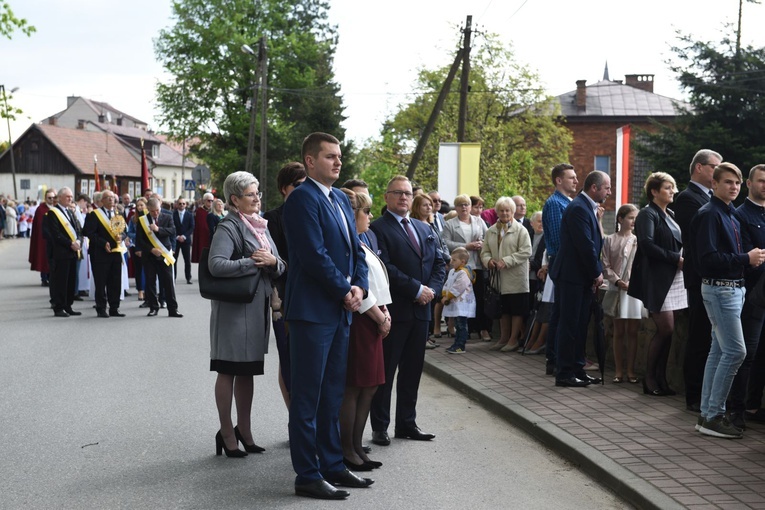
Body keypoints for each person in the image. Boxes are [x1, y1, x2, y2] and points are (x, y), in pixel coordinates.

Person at [283, 132, 371, 500]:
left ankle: (333, 464)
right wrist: (344, 290)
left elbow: (357, 252)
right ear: (309, 161)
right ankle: (307, 473)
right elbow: (314, 255)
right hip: (312, 313)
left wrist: (360, 288)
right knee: (308, 397)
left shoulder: (338, 198)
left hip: (340, 311)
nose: (338, 162)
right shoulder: (302, 200)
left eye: (339, 156)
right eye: (330, 156)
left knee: (333, 394)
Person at [207, 171, 284, 458]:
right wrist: (252, 263)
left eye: (258, 193)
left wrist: (273, 261)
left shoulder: (260, 226)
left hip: (257, 310)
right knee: (228, 370)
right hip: (232, 312)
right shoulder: (228, 226)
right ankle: (227, 432)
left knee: (248, 372)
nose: (257, 198)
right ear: (235, 199)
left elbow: (279, 264)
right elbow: (216, 265)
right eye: (251, 194)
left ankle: (245, 431)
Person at [690, 162, 765, 438]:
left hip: (731, 289)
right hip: (721, 290)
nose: (733, 187)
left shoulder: (728, 213)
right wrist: (747, 258)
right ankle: (715, 416)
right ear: (714, 184)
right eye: (728, 182)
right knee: (736, 352)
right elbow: (707, 260)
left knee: (719, 352)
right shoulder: (710, 214)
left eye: (736, 182)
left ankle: (707, 414)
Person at [369, 175, 445, 447]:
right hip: (397, 310)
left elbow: (439, 264)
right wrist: (415, 289)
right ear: (387, 197)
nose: (403, 197)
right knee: (386, 373)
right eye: (398, 193)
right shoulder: (378, 228)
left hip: (422, 311)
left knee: (412, 371)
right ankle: (380, 426)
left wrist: (432, 291)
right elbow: (384, 266)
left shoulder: (424, 229)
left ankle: (407, 423)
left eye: (407, 194)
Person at [338, 188, 391, 471]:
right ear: (352, 214)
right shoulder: (349, 243)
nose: (370, 216)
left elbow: (377, 282)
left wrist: (385, 311)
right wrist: (378, 316)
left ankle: (356, 445)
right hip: (361, 320)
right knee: (355, 387)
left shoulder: (362, 239)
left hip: (373, 319)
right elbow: (354, 285)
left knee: (369, 386)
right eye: (366, 211)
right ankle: (347, 449)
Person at [550, 170, 610, 388]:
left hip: (581, 277)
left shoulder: (585, 207)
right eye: (607, 188)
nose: (609, 192)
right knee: (570, 324)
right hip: (572, 276)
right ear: (594, 188)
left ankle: (577, 369)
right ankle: (564, 372)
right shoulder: (578, 208)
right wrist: (597, 272)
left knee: (580, 325)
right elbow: (585, 244)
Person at [628, 173, 686, 396]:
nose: (673, 191)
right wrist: (676, 259)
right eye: (667, 187)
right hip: (656, 279)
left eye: (673, 187)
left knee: (669, 332)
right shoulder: (647, 214)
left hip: (673, 278)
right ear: (654, 191)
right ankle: (649, 379)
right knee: (666, 328)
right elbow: (647, 245)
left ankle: (661, 379)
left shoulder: (669, 213)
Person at [674, 149, 722, 412]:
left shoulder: (712, 198)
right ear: (700, 168)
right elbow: (702, 235)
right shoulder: (687, 198)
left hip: (714, 277)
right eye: (716, 167)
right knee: (699, 336)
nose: (719, 172)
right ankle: (693, 395)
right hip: (699, 277)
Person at [263, 161, 307, 409]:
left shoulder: (316, 212)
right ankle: (296, 420)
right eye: (297, 185)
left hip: (314, 297)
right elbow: (276, 262)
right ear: (283, 188)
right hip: (285, 297)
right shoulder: (273, 218)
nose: (303, 189)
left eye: (306, 184)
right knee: (289, 359)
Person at [733, 164, 765, 430]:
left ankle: (754, 404)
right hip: (752, 295)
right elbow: (747, 258)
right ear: (749, 184)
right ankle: (738, 409)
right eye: (761, 181)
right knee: (747, 353)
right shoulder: (740, 214)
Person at [480, 197, 532, 352]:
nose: (504, 213)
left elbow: (526, 251)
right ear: (497, 211)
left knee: (516, 309)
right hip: (498, 276)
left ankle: (513, 339)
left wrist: (506, 261)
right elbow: (485, 251)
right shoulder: (491, 230)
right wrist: (488, 261)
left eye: (507, 210)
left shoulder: (521, 230)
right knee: (503, 309)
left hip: (515, 276)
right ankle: (503, 338)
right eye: (501, 210)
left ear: (513, 212)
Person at [542, 163, 578, 376]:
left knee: (560, 310)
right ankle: (555, 359)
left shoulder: (568, 202)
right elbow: (557, 238)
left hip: (565, 262)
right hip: (563, 262)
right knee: (562, 312)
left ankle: (556, 357)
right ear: (558, 180)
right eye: (571, 177)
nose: (575, 180)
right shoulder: (555, 204)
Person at [602, 204, 642, 384]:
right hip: (617, 288)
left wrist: (634, 282)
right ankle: (618, 371)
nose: (634, 221)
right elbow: (605, 265)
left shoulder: (638, 240)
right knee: (618, 331)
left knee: (633, 331)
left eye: (635, 218)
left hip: (634, 290)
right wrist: (617, 281)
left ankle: (631, 371)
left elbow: (642, 266)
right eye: (631, 217)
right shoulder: (610, 240)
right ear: (620, 219)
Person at [443, 194, 490, 341]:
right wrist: (466, 246)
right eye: (460, 205)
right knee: (461, 298)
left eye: (466, 204)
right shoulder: (449, 224)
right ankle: (465, 330)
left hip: (477, 265)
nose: (464, 207)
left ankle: (483, 329)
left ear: (471, 207)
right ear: (455, 208)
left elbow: (488, 238)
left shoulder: (479, 221)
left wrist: (481, 243)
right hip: (459, 267)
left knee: (479, 297)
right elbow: (445, 243)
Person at [410, 193, 449, 348]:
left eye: (429, 205)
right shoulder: (415, 225)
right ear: (417, 207)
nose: (428, 207)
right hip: (425, 269)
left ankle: (427, 335)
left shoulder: (432, 224)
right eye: (424, 205)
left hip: (437, 267)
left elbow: (441, 243)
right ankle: (423, 337)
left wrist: (446, 258)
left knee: (432, 302)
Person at [136, 197, 183, 318]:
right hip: (150, 255)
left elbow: (172, 231)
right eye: (152, 211)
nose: (156, 213)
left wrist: (158, 229)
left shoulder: (167, 216)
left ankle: (173, 309)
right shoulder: (142, 220)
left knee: (168, 282)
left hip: (164, 254)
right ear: (148, 210)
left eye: (157, 210)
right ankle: (153, 307)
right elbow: (140, 240)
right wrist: (151, 249)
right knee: (150, 282)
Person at [83, 190, 126, 318]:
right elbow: (88, 232)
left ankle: (114, 308)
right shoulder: (94, 215)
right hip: (100, 253)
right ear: (101, 201)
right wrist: (102, 242)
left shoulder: (118, 214)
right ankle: (101, 308)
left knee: (115, 281)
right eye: (107, 198)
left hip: (115, 252)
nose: (111, 200)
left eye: (112, 197)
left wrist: (122, 237)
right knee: (101, 282)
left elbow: (125, 231)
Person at [44, 187, 83, 317]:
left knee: (71, 280)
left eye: (71, 197)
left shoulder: (70, 212)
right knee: (61, 281)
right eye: (67, 197)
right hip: (61, 253)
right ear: (59, 197)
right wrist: (70, 243)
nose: (70, 199)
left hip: (72, 252)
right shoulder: (53, 213)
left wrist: (78, 241)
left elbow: (77, 229)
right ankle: (59, 307)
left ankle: (68, 305)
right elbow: (56, 234)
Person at [442, 247, 476, 354]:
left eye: (454, 260)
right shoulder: (452, 271)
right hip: (455, 302)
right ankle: (456, 343)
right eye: (451, 259)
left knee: (461, 325)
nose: (451, 262)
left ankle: (460, 345)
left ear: (463, 261)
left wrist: (449, 296)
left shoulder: (464, 273)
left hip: (462, 303)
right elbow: (448, 283)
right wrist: (444, 294)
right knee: (457, 324)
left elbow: (459, 286)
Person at [30, 189, 55, 286]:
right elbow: (39, 225)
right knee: (43, 257)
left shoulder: (55, 208)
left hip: (54, 237)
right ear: (45, 198)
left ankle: (51, 277)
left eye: (53, 197)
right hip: (43, 238)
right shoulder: (41, 209)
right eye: (49, 198)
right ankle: (44, 278)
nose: (51, 199)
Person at [127, 198, 147, 302]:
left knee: (147, 269)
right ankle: (140, 290)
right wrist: (138, 235)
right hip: (136, 246)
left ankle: (147, 290)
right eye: (138, 205)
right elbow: (129, 232)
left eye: (141, 205)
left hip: (147, 247)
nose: (139, 207)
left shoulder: (148, 217)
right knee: (138, 269)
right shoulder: (133, 219)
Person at [173, 197, 195, 284]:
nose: (182, 205)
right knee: (174, 260)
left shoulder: (190, 215)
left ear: (186, 205)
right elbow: (171, 227)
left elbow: (192, 227)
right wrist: (177, 236)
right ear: (177, 205)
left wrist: (184, 236)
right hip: (176, 240)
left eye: (183, 203)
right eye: (180, 203)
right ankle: (173, 277)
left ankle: (188, 277)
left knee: (187, 260)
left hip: (186, 240)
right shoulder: (173, 214)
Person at [191, 192, 214, 263]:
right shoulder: (199, 211)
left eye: (212, 201)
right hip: (202, 237)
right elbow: (198, 226)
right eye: (208, 200)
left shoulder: (214, 211)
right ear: (204, 201)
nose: (210, 202)